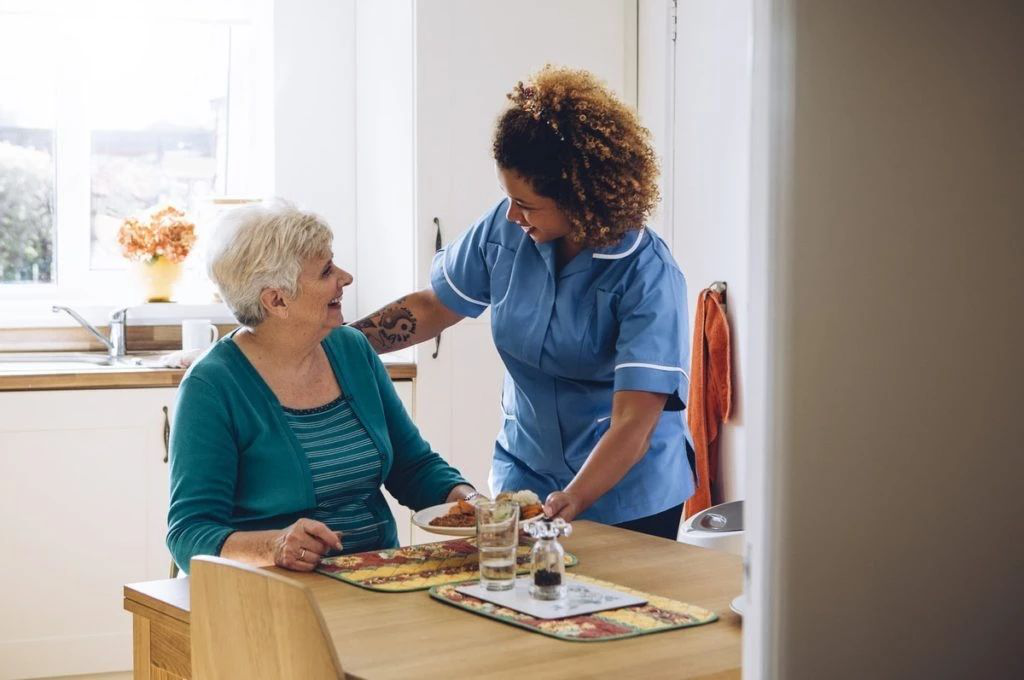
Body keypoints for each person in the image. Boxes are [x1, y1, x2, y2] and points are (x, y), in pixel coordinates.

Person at [352, 66, 694, 539]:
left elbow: (635, 422)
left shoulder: (647, 274)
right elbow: (434, 307)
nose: (513, 214)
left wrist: (575, 498)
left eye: (528, 204)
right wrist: (339, 344)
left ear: (580, 199)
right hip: (526, 475)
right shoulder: (506, 227)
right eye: (508, 197)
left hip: (626, 494)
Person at [166, 202, 476, 573]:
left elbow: (412, 467)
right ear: (276, 299)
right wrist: (276, 545)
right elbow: (188, 533)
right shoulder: (212, 386)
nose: (345, 278)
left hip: (375, 577)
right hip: (273, 593)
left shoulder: (351, 349)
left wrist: (470, 501)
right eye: (326, 271)